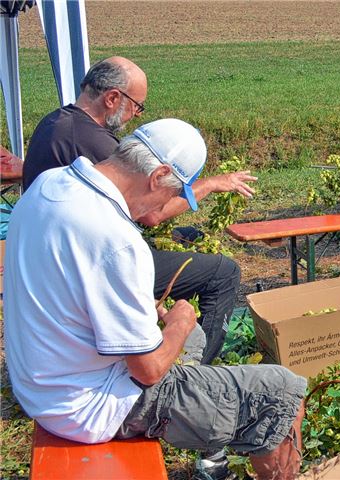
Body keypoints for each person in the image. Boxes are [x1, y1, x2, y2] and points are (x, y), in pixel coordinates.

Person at [4, 118, 306, 479]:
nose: (163, 207)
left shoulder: (49, 184)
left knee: (195, 343)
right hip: (89, 406)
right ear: (158, 175)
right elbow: (147, 370)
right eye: (172, 192)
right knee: (282, 392)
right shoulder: (116, 239)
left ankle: (211, 433)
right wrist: (180, 322)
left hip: (39, 385)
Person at [21, 56, 254, 366]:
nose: (136, 115)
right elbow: (151, 214)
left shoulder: (56, 122)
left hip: (56, 255)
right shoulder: (97, 144)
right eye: (136, 106)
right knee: (222, 273)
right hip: (83, 263)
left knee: (189, 235)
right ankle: (200, 369)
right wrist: (211, 184)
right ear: (112, 98)